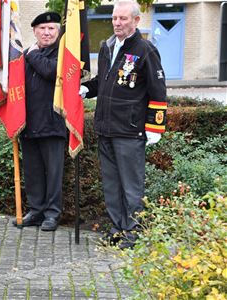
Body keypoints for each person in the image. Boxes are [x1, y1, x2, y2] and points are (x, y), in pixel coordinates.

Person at [80, 0, 167, 249]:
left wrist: (155, 126)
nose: (117, 23)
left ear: (136, 21)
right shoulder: (107, 47)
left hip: (130, 130)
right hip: (105, 128)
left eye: (123, 19)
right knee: (111, 184)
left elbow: (158, 91)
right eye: (115, 18)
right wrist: (87, 88)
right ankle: (117, 228)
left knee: (131, 186)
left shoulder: (145, 50)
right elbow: (104, 80)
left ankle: (133, 232)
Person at [12, 12, 66, 232]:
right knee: (32, 172)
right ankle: (36, 210)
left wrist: (32, 55)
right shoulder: (24, 55)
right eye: (42, 29)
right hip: (29, 124)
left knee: (53, 175)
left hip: (53, 125)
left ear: (58, 32)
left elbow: (50, 71)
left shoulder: (62, 54)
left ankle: (52, 214)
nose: (46, 32)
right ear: (34, 31)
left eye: (51, 28)